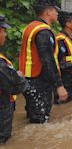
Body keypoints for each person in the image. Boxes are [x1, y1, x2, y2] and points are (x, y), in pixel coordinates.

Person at [19, 0, 68, 123]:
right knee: (40, 121)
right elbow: (47, 60)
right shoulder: (43, 32)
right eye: (55, 10)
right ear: (48, 12)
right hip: (39, 81)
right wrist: (59, 85)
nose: (57, 13)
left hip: (27, 79)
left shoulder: (30, 27)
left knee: (33, 117)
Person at [0, 15, 28, 143]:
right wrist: (19, 76)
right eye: (3, 31)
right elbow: (15, 86)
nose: (5, 35)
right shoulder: (1, 64)